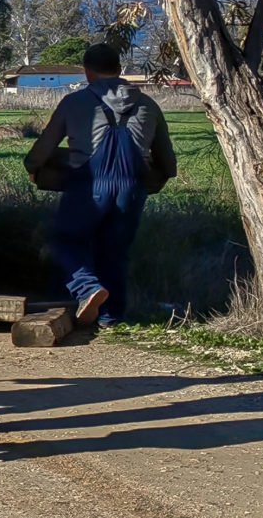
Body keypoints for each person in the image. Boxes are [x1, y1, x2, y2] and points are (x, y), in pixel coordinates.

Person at [24, 42, 177, 324]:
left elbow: (42, 150)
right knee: (114, 251)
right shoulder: (148, 105)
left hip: (89, 185)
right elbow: (168, 163)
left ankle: (87, 288)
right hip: (131, 190)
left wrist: (34, 168)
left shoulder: (74, 103)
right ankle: (111, 317)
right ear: (120, 71)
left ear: (87, 72)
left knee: (64, 240)